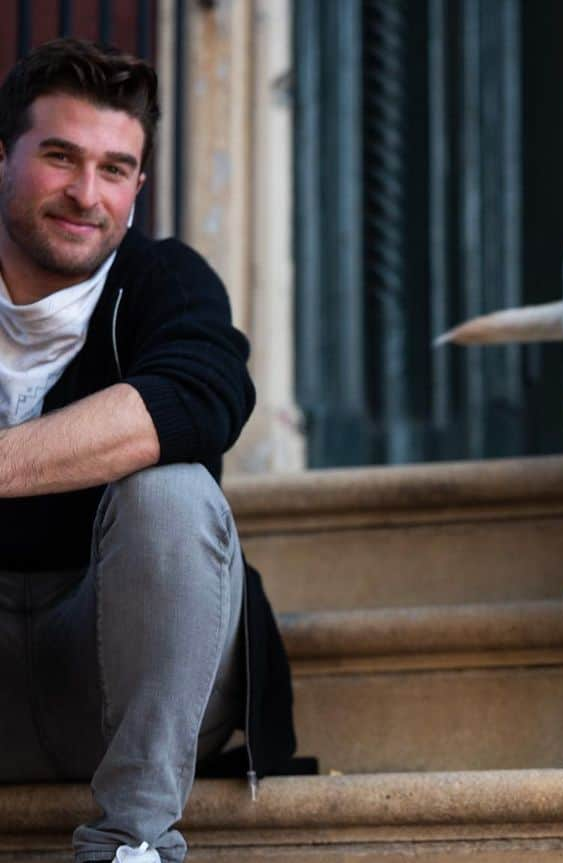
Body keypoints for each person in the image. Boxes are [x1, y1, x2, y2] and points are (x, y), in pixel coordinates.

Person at [0, 38, 297, 863]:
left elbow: (200, 397)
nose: (85, 194)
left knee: (170, 489)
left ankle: (131, 844)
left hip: (124, 691)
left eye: (116, 168)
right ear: (2, 156)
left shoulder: (167, 280)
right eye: (59, 156)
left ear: (138, 184)